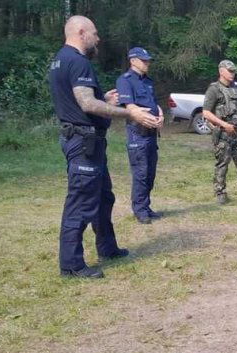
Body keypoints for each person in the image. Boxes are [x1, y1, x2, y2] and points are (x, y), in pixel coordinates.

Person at [48, 16, 158, 279]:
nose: (98, 39)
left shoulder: (60, 59)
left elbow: (80, 100)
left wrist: (104, 98)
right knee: (81, 201)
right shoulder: (78, 61)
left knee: (102, 197)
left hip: (85, 140)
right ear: (81, 32)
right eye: (95, 34)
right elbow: (86, 105)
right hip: (83, 142)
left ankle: (107, 247)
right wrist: (128, 113)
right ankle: (72, 265)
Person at [115, 47, 164, 224]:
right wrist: (146, 118)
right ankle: (139, 210)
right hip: (138, 134)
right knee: (141, 174)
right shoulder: (125, 81)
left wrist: (160, 116)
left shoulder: (148, 81)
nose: (147, 63)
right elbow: (129, 107)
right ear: (133, 61)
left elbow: (154, 104)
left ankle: (146, 205)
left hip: (151, 134)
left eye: (148, 60)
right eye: (144, 60)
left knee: (150, 173)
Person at [202, 60, 237, 205]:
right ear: (221, 71)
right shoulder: (214, 89)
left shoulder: (236, 88)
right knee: (223, 164)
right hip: (223, 135)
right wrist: (224, 125)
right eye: (230, 71)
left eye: (234, 71)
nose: (233, 74)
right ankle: (220, 192)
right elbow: (206, 113)